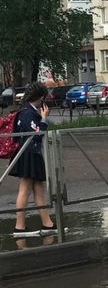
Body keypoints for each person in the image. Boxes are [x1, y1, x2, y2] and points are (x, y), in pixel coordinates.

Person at [10, 82, 55, 236]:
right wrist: (44, 119)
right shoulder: (27, 113)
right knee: (25, 189)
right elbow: (37, 134)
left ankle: (47, 224)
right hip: (28, 154)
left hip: (30, 153)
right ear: (41, 98)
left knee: (38, 189)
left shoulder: (27, 111)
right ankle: (19, 226)